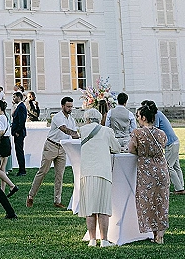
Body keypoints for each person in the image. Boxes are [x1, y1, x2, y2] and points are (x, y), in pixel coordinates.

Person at [78, 108, 121, 247]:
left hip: (87, 172)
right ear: (99, 119)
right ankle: (104, 240)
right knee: (103, 207)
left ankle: (92, 239)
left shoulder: (82, 130)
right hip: (103, 172)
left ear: (87, 119)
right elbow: (117, 148)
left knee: (90, 208)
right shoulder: (107, 131)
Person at [27, 96, 79, 209]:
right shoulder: (57, 117)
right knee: (43, 172)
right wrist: (78, 134)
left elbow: (74, 135)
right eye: (68, 106)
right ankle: (31, 196)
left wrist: (79, 138)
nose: (70, 108)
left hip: (62, 148)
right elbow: (64, 129)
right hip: (51, 146)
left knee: (60, 175)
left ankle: (57, 200)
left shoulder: (71, 120)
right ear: (62, 106)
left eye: (71, 106)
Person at [129, 102, 170, 244]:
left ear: (144, 118)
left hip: (147, 171)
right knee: (162, 202)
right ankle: (160, 235)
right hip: (162, 170)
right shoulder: (161, 133)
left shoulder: (137, 133)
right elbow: (163, 145)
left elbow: (131, 149)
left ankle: (154, 233)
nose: (137, 119)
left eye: (138, 116)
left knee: (148, 201)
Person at [141, 99, 185, 196]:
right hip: (175, 142)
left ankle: (179, 189)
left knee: (169, 167)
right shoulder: (159, 114)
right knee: (176, 166)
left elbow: (154, 130)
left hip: (170, 144)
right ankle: (181, 186)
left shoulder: (156, 115)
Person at [0, 99, 17, 196]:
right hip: (7, 142)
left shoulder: (0, 117)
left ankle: (12, 185)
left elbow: (2, 131)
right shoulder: (6, 116)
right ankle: (2, 190)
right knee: (3, 168)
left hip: (2, 142)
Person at [11, 91, 28, 176]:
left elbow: (22, 121)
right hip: (18, 132)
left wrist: (17, 131)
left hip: (19, 133)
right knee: (18, 151)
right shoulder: (19, 106)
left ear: (19, 97)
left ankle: (22, 170)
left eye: (14, 97)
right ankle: (21, 169)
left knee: (19, 151)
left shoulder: (21, 107)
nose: (13, 99)